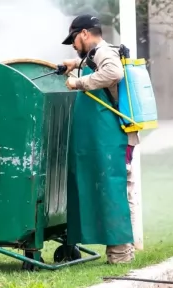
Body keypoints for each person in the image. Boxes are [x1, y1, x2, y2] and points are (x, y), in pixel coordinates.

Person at [59, 14, 139, 264]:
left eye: (73, 38)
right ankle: (124, 248)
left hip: (112, 137)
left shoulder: (104, 52)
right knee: (112, 188)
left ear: (84, 33)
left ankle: (121, 252)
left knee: (114, 189)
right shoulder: (95, 54)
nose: (73, 44)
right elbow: (97, 64)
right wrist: (74, 64)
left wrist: (79, 82)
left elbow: (113, 73)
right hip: (105, 138)